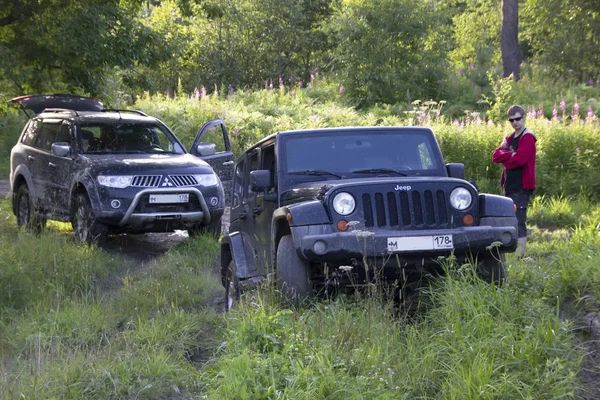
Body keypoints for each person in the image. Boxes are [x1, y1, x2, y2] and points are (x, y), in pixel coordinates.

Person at [492, 105, 537, 258]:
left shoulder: (528, 137)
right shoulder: (510, 138)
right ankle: (514, 253)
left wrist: (509, 157)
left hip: (522, 186)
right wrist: (510, 155)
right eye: (512, 120)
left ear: (524, 117)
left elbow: (520, 160)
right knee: (510, 219)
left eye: (518, 119)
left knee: (519, 221)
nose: (515, 123)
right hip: (509, 185)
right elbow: (495, 156)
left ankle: (521, 255)